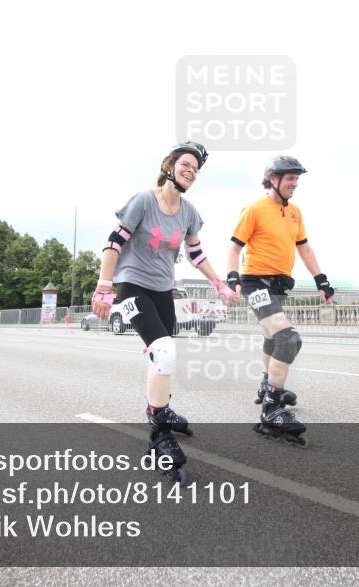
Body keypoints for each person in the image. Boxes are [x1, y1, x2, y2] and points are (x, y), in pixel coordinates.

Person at [92, 142, 235, 483]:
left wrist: (218, 283)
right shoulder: (144, 200)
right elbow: (113, 243)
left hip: (162, 290)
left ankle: (160, 408)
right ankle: (159, 434)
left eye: (196, 169)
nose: (192, 171)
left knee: (162, 356)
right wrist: (104, 286)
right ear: (170, 166)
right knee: (165, 351)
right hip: (132, 285)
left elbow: (196, 254)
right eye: (186, 164)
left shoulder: (189, 212)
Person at [225, 156, 334, 448]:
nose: (294, 184)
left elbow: (305, 248)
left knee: (273, 339)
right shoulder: (255, 209)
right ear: (273, 179)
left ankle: (267, 383)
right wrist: (232, 278)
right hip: (255, 281)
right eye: (290, 179)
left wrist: (321, 279)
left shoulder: (295, 213)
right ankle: (272, 409)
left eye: (297, 180)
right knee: (288, 339)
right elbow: (234, 247)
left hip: (278, 283)